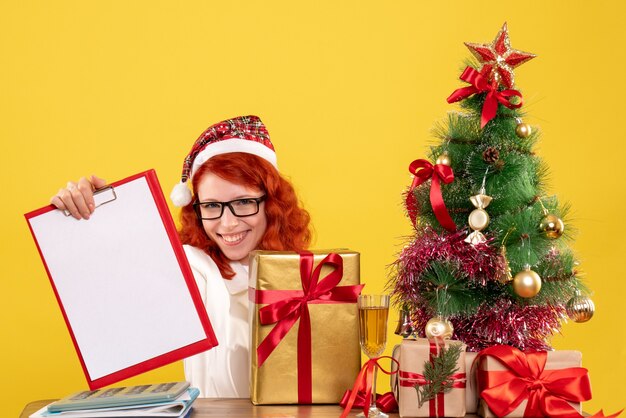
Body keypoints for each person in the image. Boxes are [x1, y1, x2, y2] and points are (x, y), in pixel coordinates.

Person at [50, 115, 312, 398]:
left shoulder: (312, 278)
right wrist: (91, 220)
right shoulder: (193, 268)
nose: (227, 223)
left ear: (272, 204)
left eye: (243, 202)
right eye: (211, 205)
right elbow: (114, 298)